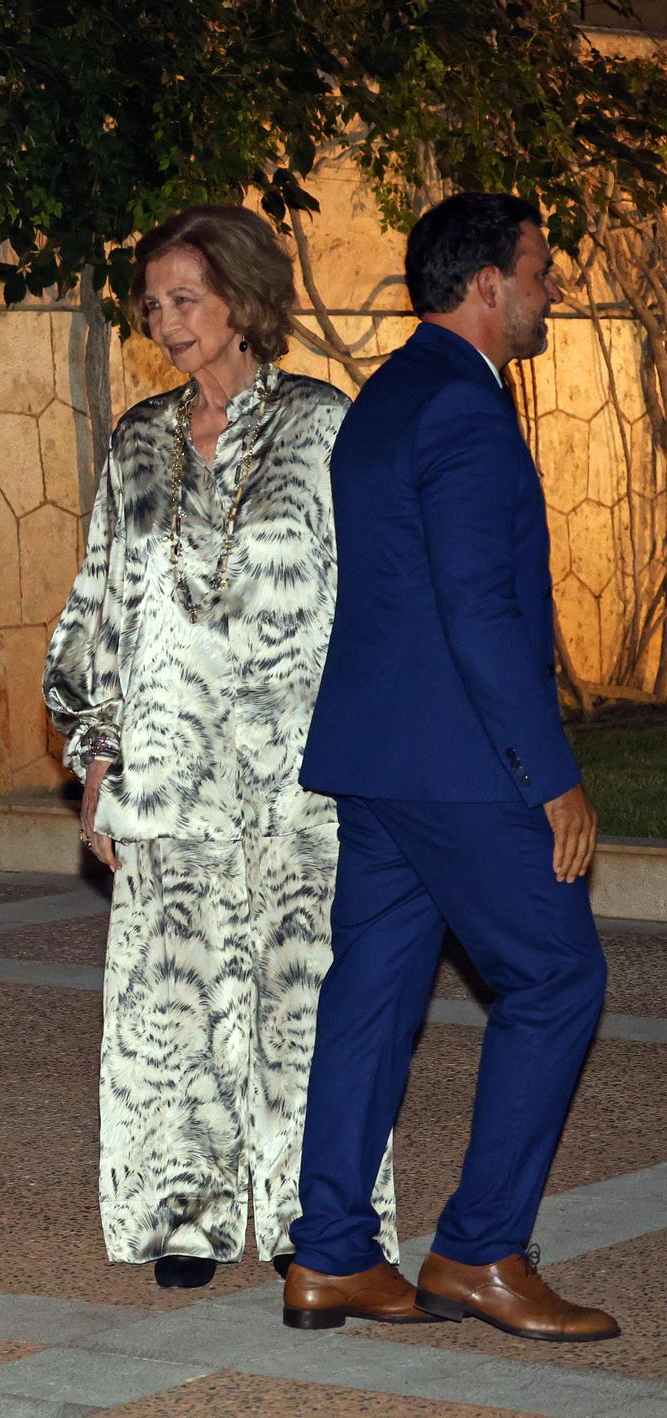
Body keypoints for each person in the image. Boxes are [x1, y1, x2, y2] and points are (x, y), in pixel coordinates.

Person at [43, 205, 400, 1294]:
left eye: (182, 298)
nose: (164, 320)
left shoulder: (322, 427)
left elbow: (370, 599)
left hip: (300, 765)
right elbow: (102, 606)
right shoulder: (138, 436)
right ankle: (183, 1211)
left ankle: (315, 1206)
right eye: (152, 303)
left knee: (304, 994)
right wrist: (94, 753)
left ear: (243, 301)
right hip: (164, 759)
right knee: (172, 996)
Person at [286, 193, 618, 1341]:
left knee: (370, 999)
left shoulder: (384, 397)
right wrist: (549, 773)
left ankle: (328, 1255)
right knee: (557, 977)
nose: (548, 291)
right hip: (460, 763)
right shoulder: (465, 414)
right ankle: (479, 1248)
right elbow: (479, 612)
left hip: (376, 758)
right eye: (537, 271)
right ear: (485, 283)